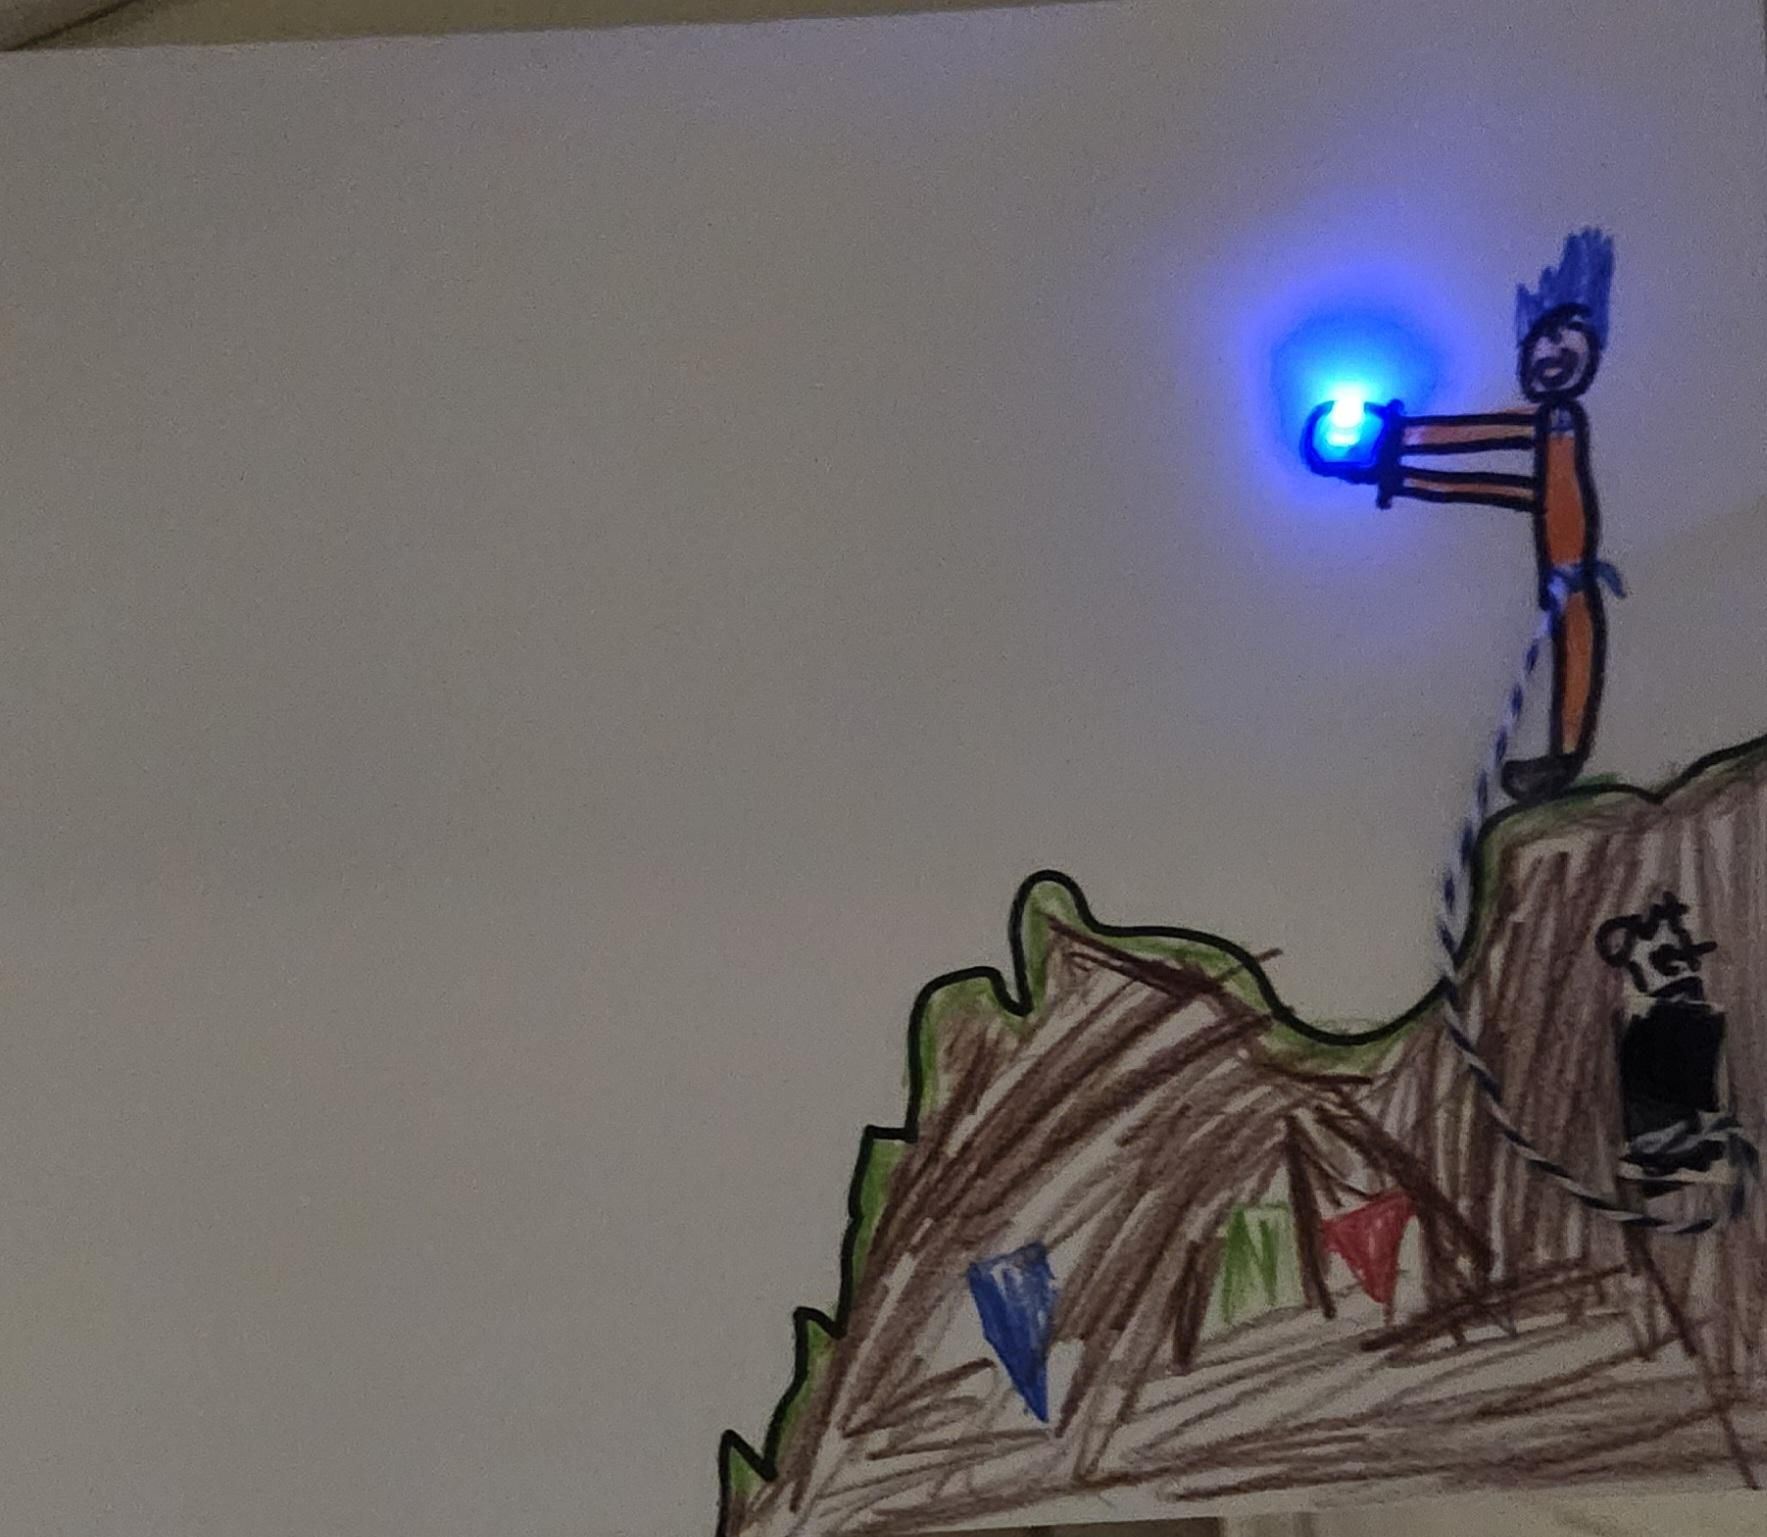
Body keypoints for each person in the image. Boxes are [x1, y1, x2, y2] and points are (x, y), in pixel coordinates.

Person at [1306, 229, 1617, 803]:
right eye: (1543, 340)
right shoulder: (1545, 424)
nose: (1553, 352)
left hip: (1570, 575)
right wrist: (1398, 462)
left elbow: (1491, 458)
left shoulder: (1558, 423)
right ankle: (1563, 754)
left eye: (1568, 337)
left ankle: (1566, 754)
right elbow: (1502, 481)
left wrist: (1399, 446)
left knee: (1577, 649)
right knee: (1571, 646)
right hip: (1559, 572)